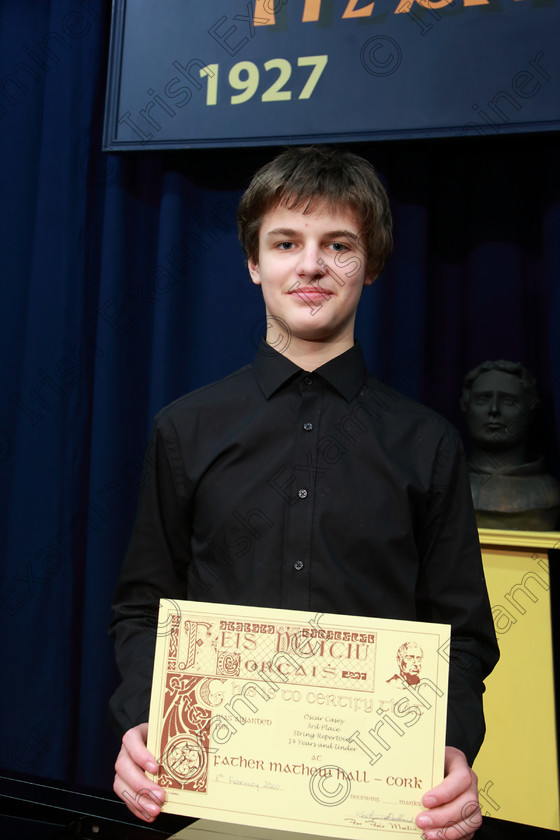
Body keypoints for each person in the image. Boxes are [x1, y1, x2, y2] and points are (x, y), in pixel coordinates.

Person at [110, 146, 499, 839]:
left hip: (381, 809)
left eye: (338, 245)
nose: (311, 265)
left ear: (371, 264)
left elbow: (463, 638)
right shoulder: (185, 428)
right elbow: (142, 609)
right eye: (286, 242)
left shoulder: (428, 444)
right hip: (210, 801)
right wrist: (144, 721)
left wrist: (453, 746)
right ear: (255, 262)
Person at [461, 360, 560, 529]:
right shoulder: (448, 487)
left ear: (530, 411)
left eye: (508, 401)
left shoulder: (551, 493)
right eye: (483, 399)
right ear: (465, 406)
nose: (494, 410)